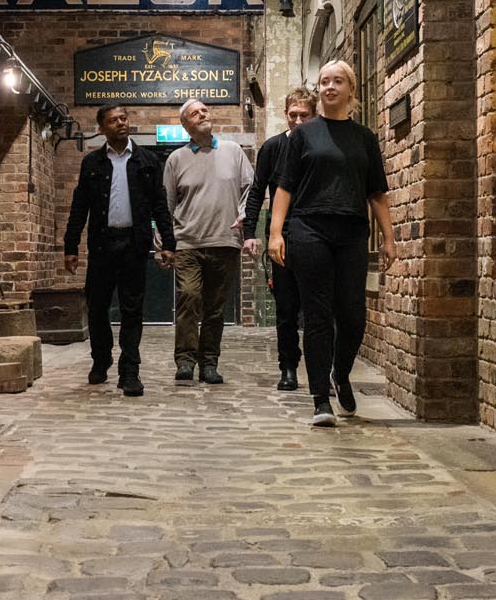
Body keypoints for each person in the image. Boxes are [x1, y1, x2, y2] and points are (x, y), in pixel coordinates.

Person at [268, 60, 397, 427]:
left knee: (353, 316)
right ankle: (320, 398)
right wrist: (276, 233)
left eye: (337, 81)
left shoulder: (364, 139)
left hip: (352, 231)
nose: (329, 87)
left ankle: (341, 374)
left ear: (350, 90)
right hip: (309, 230)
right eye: (324, 81)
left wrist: (389, 237)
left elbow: (377, 193)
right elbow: (284, 187)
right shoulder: (304, 136)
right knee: (318, 314)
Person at [63, 104, 176, 397]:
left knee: (132, 309)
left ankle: (130, 371)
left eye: (124, 118)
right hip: (102, 245)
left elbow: (159, 205)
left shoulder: (146, 161)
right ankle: (101, 360)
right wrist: (70, 246)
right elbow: (79, 207)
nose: (121, 124)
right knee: (97, 306)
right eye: (113, 121)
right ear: (102, 128)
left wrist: (168, 243)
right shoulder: (92, 163)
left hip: (133, 245)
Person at [163, 97, 254, 384]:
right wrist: (163, 245)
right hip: (187, 242)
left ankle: (210, 362)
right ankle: (186, 361)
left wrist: (243, 217)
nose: (202, 114)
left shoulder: (233, 151)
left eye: (205, 110)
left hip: (224, 240)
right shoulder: (176, 159)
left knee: (215, 307)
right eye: (194, 113)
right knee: (189, 298)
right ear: (185, 124)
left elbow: (250, 189)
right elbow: (165, 204)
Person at [242, 86, 316, 391]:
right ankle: (288, 367)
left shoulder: (320, 145)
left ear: (314, 115)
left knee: (316, 307)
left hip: (315, 234)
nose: (297, 121)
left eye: (304, 115)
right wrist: (250, 232)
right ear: (285, 114)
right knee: (285, 308)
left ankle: (322, 368)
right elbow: (258, 190)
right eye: (293, 114)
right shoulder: (273, 148)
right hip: (282, 235)